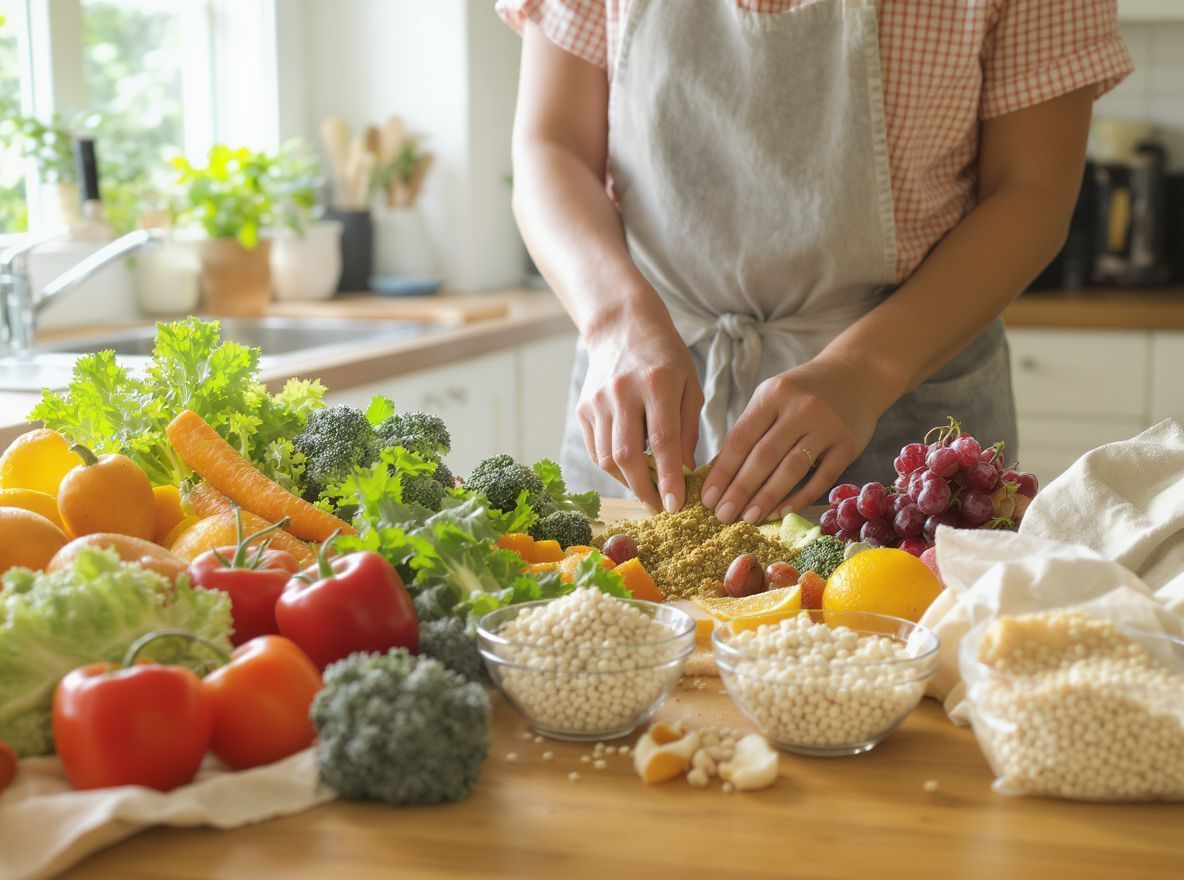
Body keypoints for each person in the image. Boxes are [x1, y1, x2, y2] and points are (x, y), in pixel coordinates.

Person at [498, 0, 1131, 525]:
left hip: (905, 410)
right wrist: (615, 320)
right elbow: (551, 145)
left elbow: (1031, 193)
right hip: (644, 396)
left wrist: (863, 370)